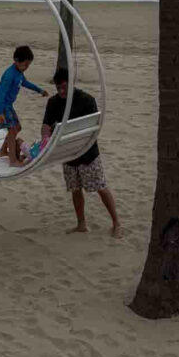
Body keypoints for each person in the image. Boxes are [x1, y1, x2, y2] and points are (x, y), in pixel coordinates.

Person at [42, 68, 121, 237]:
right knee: (75, 189)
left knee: (100, 187)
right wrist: (45, 139)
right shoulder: (53, 102)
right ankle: (81, 224)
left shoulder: (86, 100)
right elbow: (46, 125)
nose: (61, 91)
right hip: (68, 154)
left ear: (71, 84)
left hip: (87, 152)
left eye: (64, 87)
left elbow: (93, 128)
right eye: (58, 88)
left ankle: (116, 223)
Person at [0, 45, 48, 167]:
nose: (27, 68)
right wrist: (0, 112)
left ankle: (3, 150)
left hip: (8, 105)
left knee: (17, 127)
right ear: (16, 60)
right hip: (2, 106)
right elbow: (0, 94)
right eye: (25, 65)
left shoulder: (19, 72)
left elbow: (25, 83)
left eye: (29, 65)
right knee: (12, 130)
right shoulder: (9, 75)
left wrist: (39, 90)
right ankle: (13, 161)